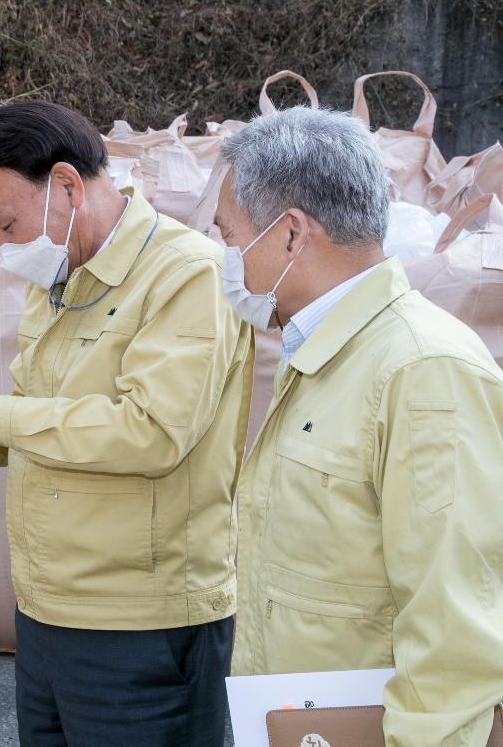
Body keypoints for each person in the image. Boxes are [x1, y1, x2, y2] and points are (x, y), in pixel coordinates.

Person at [0, 101, 253, 747]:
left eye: (6, 222)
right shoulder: (60, 274)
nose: (2, 245)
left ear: (68, 186)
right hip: (48, 611)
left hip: (141, 627)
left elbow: (151, 430)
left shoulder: (185, 273)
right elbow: (43, 418)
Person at [214, 106, 503, 745]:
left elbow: (455, 631)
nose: (224, 258)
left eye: (229, 235)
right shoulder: (328, 350)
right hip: (304, 722)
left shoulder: (423, 370)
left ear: (291, 234)